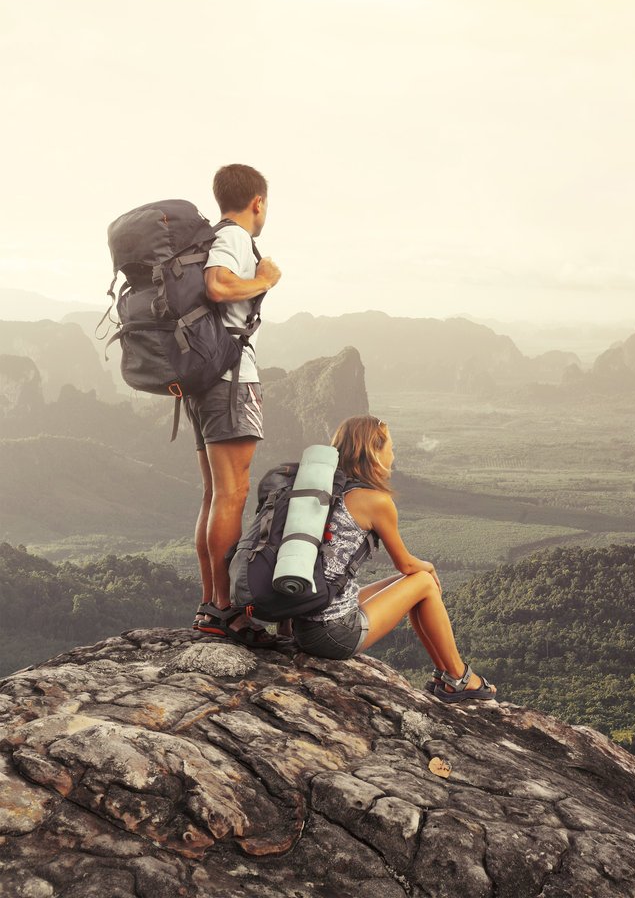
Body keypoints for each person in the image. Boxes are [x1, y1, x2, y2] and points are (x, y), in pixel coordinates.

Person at [280, 415, 497, 700]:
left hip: (303, 624)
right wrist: (429, 567)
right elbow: (406, 563)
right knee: (422, 580)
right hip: (333, 635)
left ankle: (447, 675)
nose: (393, 456)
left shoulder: (323, 491)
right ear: (374, 452)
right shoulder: (376, 501)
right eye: (390, 448)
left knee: (413, 584)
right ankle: (457, 675)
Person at [192, 164, 284, 646]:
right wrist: (265, 278)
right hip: (230, 380)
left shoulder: (214, 234)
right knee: (231, 494)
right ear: (258, 202)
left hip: (208, 380)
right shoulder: (232, 238)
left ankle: (213, 604)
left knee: (215, 494)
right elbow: (219, 285)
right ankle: (223, 609)